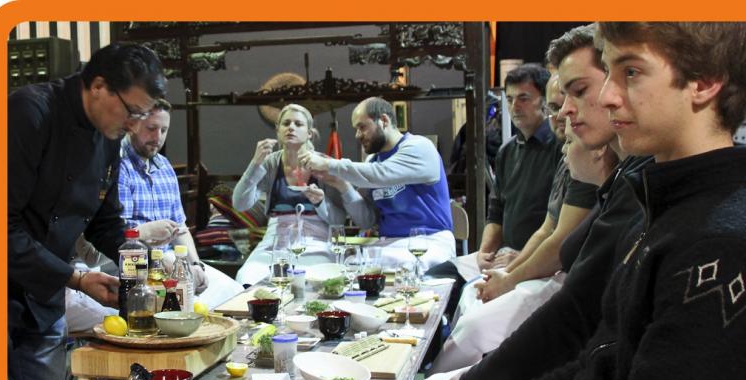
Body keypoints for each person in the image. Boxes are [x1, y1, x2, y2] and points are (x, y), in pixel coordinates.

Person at [410, 21, 746, 380]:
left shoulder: (723, 243)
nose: (608, 96)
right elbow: (601, 362)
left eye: (631, 72)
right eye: (609, 74)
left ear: (706, 81)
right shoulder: (664, 204)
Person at [386, 23, 650, 380]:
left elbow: (576, 321)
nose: (565, 113)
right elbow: (593, 350)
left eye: (631, 74)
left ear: (702, 83)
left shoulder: (654, 195)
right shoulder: (630, 179)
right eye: (560, 101)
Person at [8, 43, 166, 380]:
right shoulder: (29, 112)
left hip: (43, 302)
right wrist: (76, 279)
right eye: (132, 112)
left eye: (142, 116)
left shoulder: (108, 135)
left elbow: (104, 223)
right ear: (98, 86)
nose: (134, 125)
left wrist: (149, 265)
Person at [429, 123, 614, 375]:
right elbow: (541, 229)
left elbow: (557, 245)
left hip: (559, 281)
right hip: (531, 265)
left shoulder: (588, 176)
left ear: (600, 149)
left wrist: (509, 279)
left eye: (570, 141)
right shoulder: (517, 154)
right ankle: (454, 375)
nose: (562, 114)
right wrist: (499, 268)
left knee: (475, 326)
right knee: (470, 294)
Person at [423, 64, 560, 316]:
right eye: (510, 99)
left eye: (524, 98)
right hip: (502, 254)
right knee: (434, 281)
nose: (515, 106)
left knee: (473, 308)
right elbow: (496, 212)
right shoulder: (507, 151)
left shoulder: (560, 147)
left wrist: (521, 258)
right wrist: (485, 253)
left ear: (545, 100)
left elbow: (555, 225)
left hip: (538, 260)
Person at [300, 97, 454, 272]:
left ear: (384, 120)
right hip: (389, 244)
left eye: (362, 127)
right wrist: (343, 186)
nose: (357, 135)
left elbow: (381, 173)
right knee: (347, 267)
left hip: (429, 241)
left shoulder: (419, 147)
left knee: (403, 269)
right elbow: (367, 221)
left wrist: (328, 164)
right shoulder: (373, 160)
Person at [117, 99, 244, 308]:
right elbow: (117, 233)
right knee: (188, 306)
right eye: (151, 128)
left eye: (164, 130)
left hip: (171, 260)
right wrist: (161, 256)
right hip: (134, 263)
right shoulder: (120, 166)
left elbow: (180, 228)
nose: (158, 137)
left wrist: (195, 264)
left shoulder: (164, 166)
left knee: (235, 294)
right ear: (133, 125)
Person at [233, 104, 371, 285]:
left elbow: (338, 221)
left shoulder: (324, 164)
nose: (291, 127)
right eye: (286, 123)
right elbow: (240, 204)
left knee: (313, 281)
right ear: (278, 130)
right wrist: (255, 164)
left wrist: (321, 202)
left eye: (298, 124)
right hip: (275, 243)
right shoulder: (270, 163)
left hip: (315, 242)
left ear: (309, 133)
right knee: (247, 277)